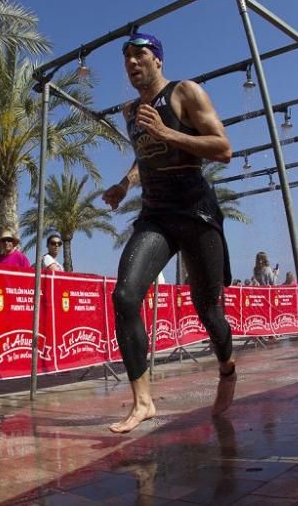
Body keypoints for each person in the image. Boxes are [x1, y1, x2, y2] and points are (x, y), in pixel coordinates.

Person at [102, 32, 235, 433]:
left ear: (158, 60)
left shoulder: (185, 93)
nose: (132, 63)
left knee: (208, 309)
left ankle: (227, 370)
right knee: (125, 297)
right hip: (156, 214)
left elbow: (223, 148)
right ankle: (143, 402)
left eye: (140, 55)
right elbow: (145, 157)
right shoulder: (129, 112)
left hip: (196, 210)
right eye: (126, 58)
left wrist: (168, 133)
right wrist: (126, 182)